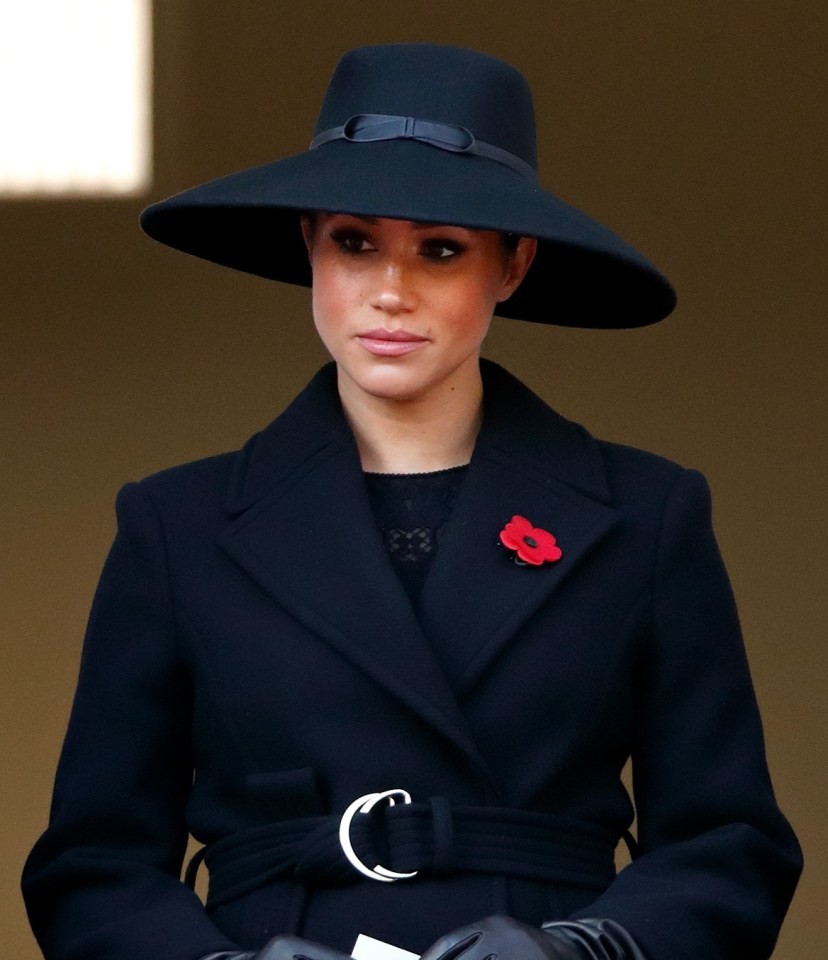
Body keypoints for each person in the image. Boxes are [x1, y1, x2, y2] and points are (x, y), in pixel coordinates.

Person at [22, 43, 801, 960]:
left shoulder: (648, 515)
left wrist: (588, 949)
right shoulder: (174, 526)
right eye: (355, 242)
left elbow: (730, 844)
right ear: (308, 245)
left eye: (441, 250)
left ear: (512, 267)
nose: (391, 292)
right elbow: (93, 861)